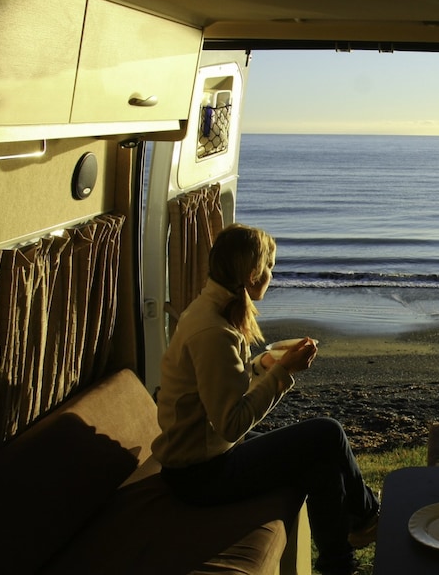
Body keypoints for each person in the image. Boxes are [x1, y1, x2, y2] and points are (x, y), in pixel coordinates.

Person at [152, 223, 379, 575]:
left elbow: (222, 385)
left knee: (321, 467)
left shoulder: (211, 310)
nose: (272, 274)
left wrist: (263, 364)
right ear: (252, 273)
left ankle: (340, 565)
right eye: (269, 266)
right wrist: (282, 373)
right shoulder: (214, 331)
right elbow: (230, 424)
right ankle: (367, 517)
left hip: (208, 456)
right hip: (200, 475)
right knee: (327, 432)